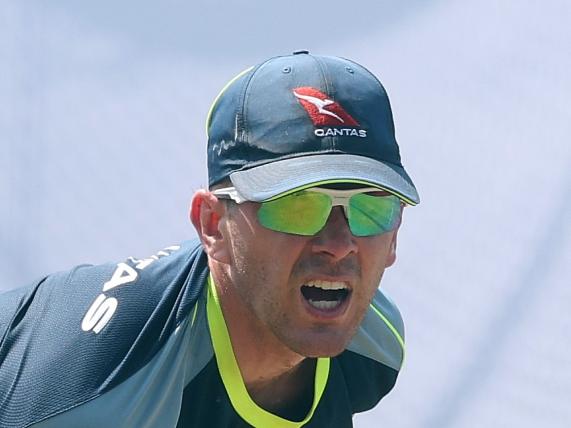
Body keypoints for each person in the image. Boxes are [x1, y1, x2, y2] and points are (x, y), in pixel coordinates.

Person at [0, 50, 420, 428]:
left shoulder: (373, 346)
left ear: (395, 236)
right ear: (212, 225)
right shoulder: (105, 391)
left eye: (372, 209)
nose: (339, 242)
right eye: (297, 206)